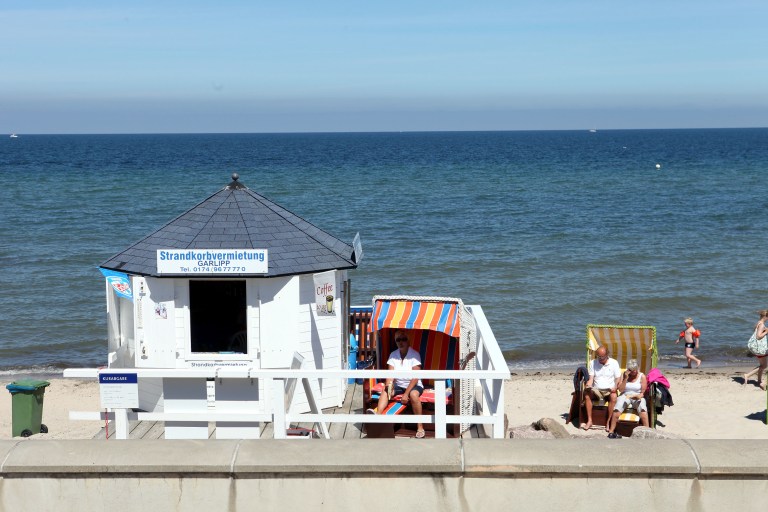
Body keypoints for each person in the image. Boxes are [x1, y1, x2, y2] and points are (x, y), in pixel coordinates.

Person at [367, 330, 426, 438]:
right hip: (399, 384)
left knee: (413, 395)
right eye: (398, 340)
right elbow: (390, 375)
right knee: (386, 390)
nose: (401, 342)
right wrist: (389, 386)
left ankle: (420, 426)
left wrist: (406, 394)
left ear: (408, 341)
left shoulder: (414, 354)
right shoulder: (393, 355)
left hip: (414, 384)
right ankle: (378, 416)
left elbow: (415, 378)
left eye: (403, 339)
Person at [581, 345, 621, 431]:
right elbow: (591, 378)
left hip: (609, 389)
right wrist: (588, 385)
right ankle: (590, 420)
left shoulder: (614, 363)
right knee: (587, 394)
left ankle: (608, 422)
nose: (600, 359)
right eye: (598, 356)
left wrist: (615, 386)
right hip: (597, 390)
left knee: (613, 397)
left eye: (602, 357)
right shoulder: (593, 362)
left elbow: (618, 378)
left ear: (607, 355)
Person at [606, 359, 649, 439]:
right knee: (617, 410)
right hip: (625, 394)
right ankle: (611, 431)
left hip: (637, 395)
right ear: (628, 370)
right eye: (631, 371)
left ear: (638, 368)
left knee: (643, 410)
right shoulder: (624, 375)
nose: (633, 372)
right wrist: (625, 378)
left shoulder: (641, 376)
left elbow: (643, 392)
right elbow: (621, 390)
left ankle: (648, 432)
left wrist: (639, 396)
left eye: (635, 370)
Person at [744, 310, 768, 389]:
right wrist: (766, 331)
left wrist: (764, 331)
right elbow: (758, 336)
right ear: (765, 316)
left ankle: (759, 381)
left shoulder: (758, 323)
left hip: (757, 348)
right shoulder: (762, 325)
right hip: (760, 348)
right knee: (764, 366)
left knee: (762, 365)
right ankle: (747, 375)